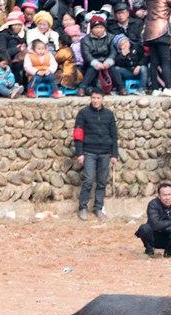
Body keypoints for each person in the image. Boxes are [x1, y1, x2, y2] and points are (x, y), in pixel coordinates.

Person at [73, 89, 119, 221]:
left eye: (98, 98)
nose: (95, 100)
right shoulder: (83, 113)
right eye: (93, 98)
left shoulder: (109, 114)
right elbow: (78, 134)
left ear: (102, 99)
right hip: (89, 152)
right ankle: (82, 207)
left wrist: (114, 154)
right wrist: (79, 153)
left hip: (105, 152)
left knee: (102, 182)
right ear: (90, 98)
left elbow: (114, 135)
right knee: (88, 180)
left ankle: (98, 208)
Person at [142, 0, 171, 97]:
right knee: (165, 61)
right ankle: (168, 87)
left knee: (154, 62)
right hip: (162, 31)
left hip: (149, 32)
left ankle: (155, 89)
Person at [135, 182, 171, 257]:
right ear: (159, 196)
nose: (167, 198)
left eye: (169, 194)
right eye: (164, 195)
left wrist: (164, 227)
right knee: (144, 228)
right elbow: (155, 224)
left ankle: (169, 253)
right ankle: (150, 250)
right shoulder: (153, 204)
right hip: (155, 237)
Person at [80, 16, 125, 96]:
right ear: (91, 29)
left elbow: (113, 52)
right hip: (92, 63)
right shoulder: (85, 40)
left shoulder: (111, 37)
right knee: (92, 68)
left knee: (112, 68)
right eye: (96, 27)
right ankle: (82, 88)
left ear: (104, 28)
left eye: (101, 27)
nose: (98, 30)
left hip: (106, 62)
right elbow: (86, 54)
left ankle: (121, 88)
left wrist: (108, 62)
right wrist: (96, 63)